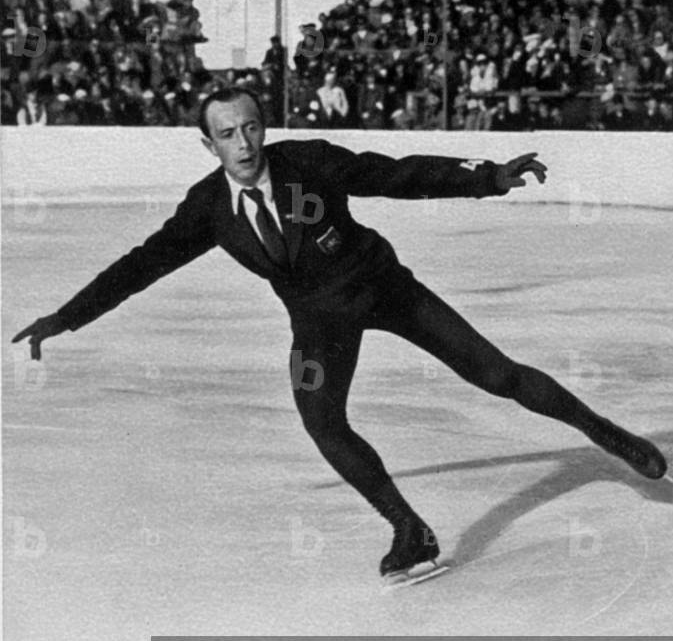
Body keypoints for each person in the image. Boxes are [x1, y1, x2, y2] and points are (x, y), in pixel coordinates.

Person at [13, 87, 667, 583]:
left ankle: (607, 434)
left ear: (261, 127)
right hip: (319, 324)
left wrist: (485, 176)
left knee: (495, 375)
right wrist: (67, 316)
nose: (242, 143)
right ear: (207, 145)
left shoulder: (307, 163)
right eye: (226, 134)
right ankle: (408, 528)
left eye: (249, 127)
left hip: (385, 288)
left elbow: (395, 174)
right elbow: (142, 263)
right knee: (321, 421)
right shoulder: (207, 208)